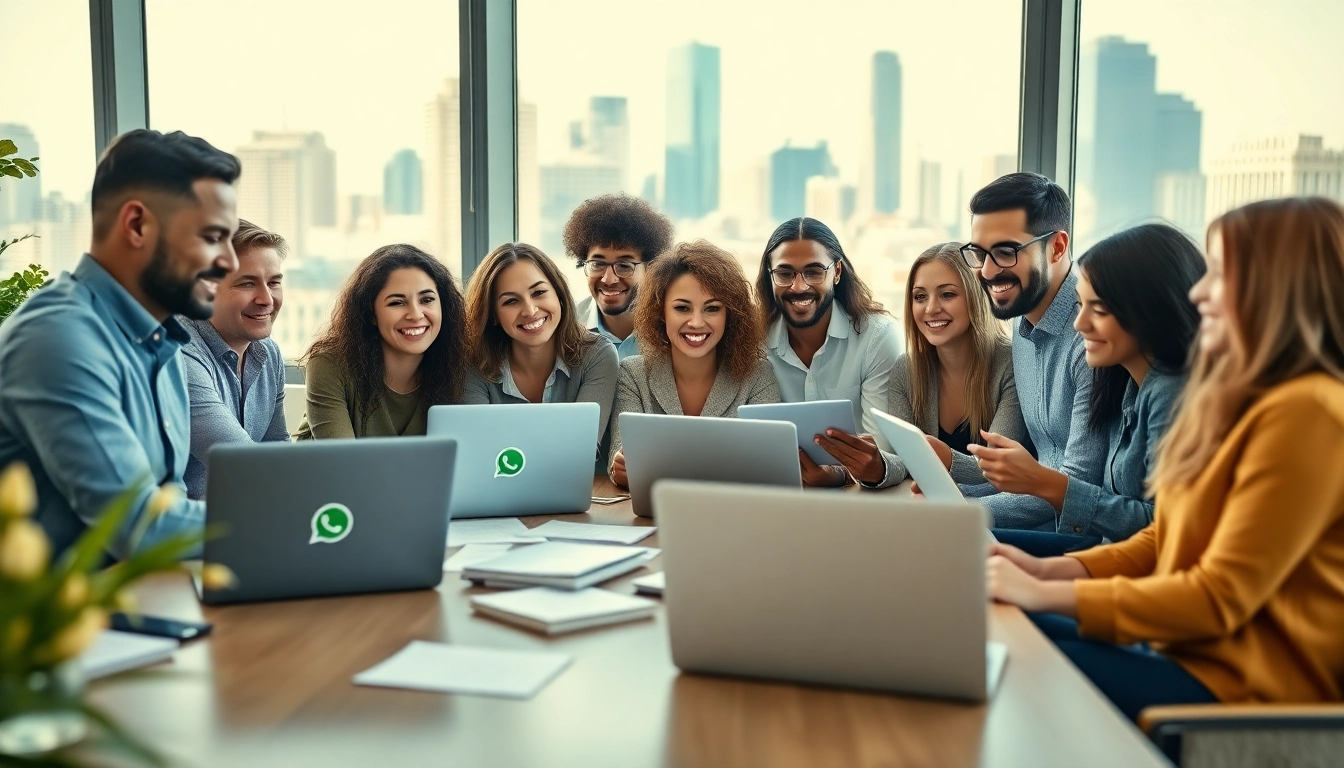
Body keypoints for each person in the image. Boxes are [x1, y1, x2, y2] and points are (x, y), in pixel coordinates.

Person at [988, 196, 1344, 720]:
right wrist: (1050, 574)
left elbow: (1218, 596)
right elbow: (1166, 535)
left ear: (1278, 287)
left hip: (1240, 689)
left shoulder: (1307, 411)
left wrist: (1044, 593)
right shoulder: (1248, 399)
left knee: (1004, 645)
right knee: (993, 619)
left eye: (1220, 274)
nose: (1199, 291)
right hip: (1184, 653)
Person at [0, 129, 240, 559]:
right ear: (137, 225)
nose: (229, 261)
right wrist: (286, 521)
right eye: (211, 237)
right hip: (61, 619)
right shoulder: (58, 339)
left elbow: (170, 497)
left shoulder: (160, 340)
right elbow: (138, 526)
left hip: (142, 596)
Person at [977, 224, 1204, 551]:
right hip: (1104, 556)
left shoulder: (1171, 394)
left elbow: (1164, 527)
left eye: (1098, 309)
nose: (1079, 324)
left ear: (1151, 309)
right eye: (1081, 305)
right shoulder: (1122, 384)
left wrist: (1046, 483)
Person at [956, 172, 1106, 549]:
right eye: (979, 253)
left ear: (1056, 247)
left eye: (1006, 252)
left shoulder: (1094, 339)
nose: (987, 271)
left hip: (1075, 540)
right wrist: (947, 473)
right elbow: (1018, 472)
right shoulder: (1023, 325)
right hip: (1034, 529)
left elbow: (1075, 484)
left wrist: (962, 508)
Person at [818, 242, 1025, 489]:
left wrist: (944, 458)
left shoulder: (1011, 365)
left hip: (991, 518)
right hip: (926, 513)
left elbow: (1001, 470)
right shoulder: (905, 370)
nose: (931, 309)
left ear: (976, 297)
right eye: (920, 297)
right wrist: (877, 467)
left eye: (947, 294)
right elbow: (904, 463)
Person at [607, 240, 780, 488]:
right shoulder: (633, 374)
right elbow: (618, 457)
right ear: (661, 312)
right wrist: (619, 468)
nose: (696, 322)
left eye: (712, 309)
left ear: (729, 315)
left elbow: (769, 463)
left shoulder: (757, 375)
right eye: (682, 308)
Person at [755, 217, 901, 487]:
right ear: (769, 275)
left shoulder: (876, 337)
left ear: (836, 272)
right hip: (780, 494)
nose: (799, 287)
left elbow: (884, 452)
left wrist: (838, 475)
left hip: (862, 502)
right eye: (785, 273)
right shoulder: (754, 343)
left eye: (813, 272)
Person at [295, 244, 468, 439]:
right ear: (371, 314)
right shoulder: (329, 365)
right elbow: (343, 463)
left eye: (427, 300)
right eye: (397, 302)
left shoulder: (458, 366)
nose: (416, 314)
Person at [463, 242, 619, 456]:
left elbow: (580, 450)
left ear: (559, 294)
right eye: (510, 301)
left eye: (538, 292)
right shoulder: (474, 363)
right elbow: (477, 452)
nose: (530, 310)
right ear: (492, 315)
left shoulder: (598, 354)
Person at [182, 220, 290, 500]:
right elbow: (242, 463)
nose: (267, 299)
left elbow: (276, 448)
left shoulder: (268, 352)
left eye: (274, 283)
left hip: (245, 520)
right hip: (183, 533)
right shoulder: (179, 349)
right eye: (247, 284)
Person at [564, 194, 675, 359]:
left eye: (624, 266)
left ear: (650, 268)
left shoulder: (672, 330)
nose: (608, 280)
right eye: (597, 264)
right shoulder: (564, 326)